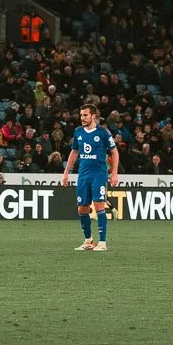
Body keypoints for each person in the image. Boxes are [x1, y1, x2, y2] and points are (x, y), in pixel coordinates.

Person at [59, 99, 117, 252]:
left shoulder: (103, 132)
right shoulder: (78, 131)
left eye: (85, 115)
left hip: (99, 174)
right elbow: (74, 152)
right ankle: (89, 241)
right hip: (83, 174)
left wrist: (114, 173)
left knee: (98, 205)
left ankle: (102, 243)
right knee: (82, 209)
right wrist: (66, 172)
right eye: (81, 115)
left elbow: (114, 152)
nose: (82, 118)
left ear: (93, 116)